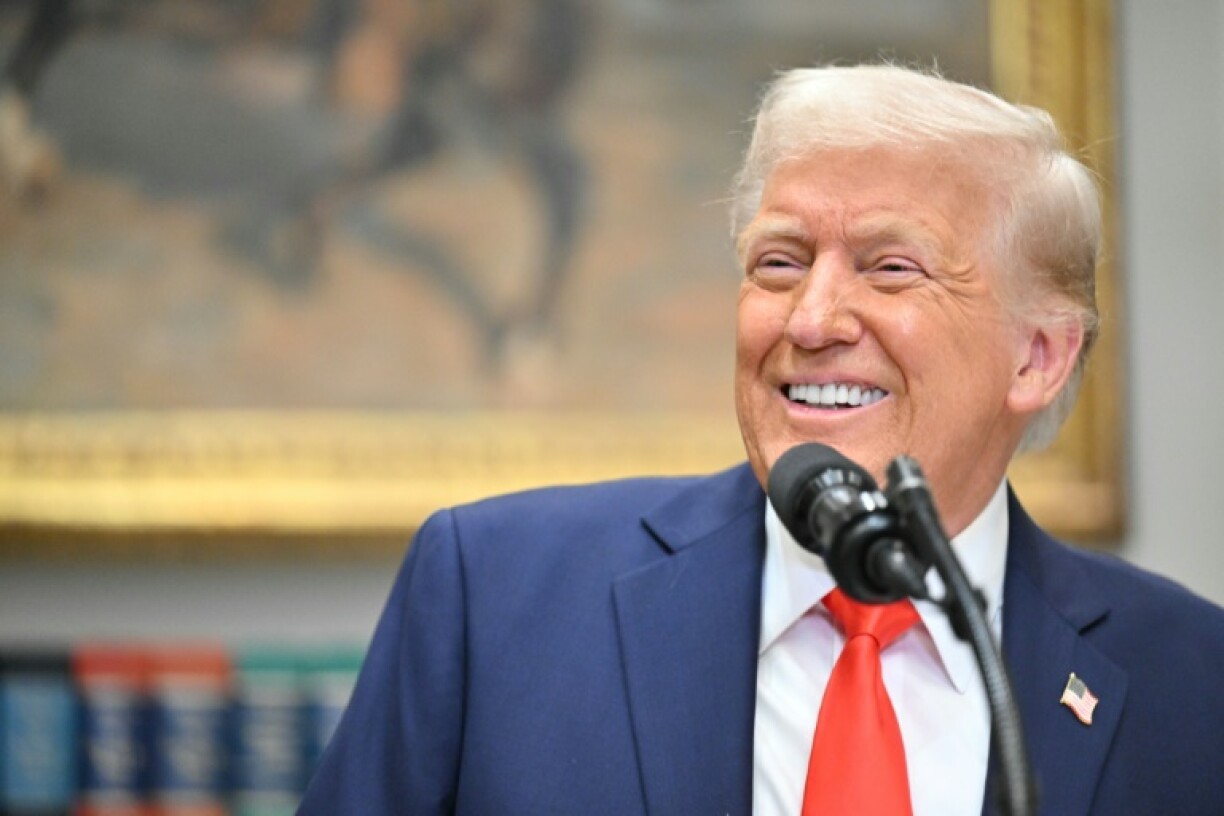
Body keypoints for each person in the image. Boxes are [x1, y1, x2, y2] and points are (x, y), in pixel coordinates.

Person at [297, 64, 1224, 815]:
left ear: (1038, 358)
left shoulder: (1191, 679)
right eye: (778, 262)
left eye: (890, 269)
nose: (812, 318)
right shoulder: (494, 594)